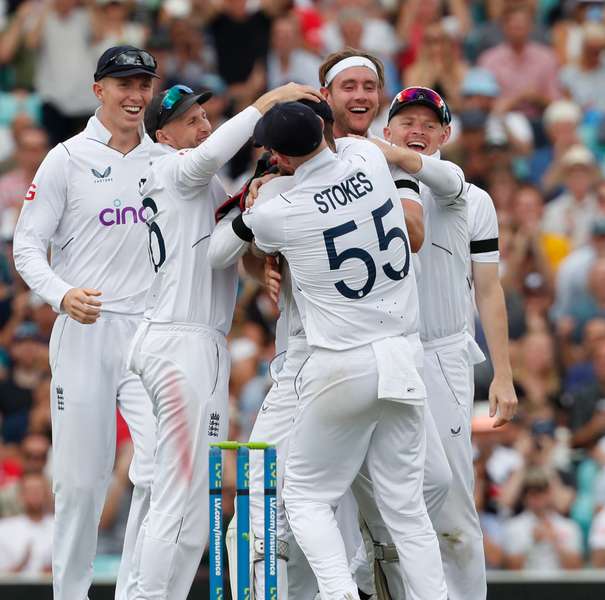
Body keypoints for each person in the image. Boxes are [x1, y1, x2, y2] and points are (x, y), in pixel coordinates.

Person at [241, 101, 448, 600]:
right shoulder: (366, 158)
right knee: (407, 508)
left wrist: (262, 183)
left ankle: (337, 595)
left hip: (340, 362)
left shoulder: (278, 213)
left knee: (306, 497)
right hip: (401, 356)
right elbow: (360, 149)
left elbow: (253, 227)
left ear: (281, 157)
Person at [124, 81, 313, 599]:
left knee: (192, 500)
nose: (203, 126)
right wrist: (269, 102)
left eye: (205, 116)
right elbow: (209, 156)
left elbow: (228, 247)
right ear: (162, 134)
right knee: (178, 493)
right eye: (190, 119)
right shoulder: (166, 168)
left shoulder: (198, 183)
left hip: (197, 343)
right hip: (178, 341)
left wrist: (266, 262)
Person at [12, 45, 159, 600]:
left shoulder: (163, 162)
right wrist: (61, 293)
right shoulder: (66, 158)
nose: (135, 95)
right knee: (79, 483)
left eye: (143, 84)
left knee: (164, 466)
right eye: (123, 84)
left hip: (147, 334)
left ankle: (134, 592)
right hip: (85, 330)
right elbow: (27, 247)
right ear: (99, 90)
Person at [364, 86, 516, 600]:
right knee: (387, 490)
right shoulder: (366, 190)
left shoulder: (470, 197)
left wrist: (504, 373)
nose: (417, 131)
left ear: (446, 135)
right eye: (406, 122)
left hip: (445, 353)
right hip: (382, 352)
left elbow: (489, 290)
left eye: (430, 124)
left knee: (452, 498)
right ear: (388, 131)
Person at [208, 96, 335, 600]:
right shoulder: (362, 166)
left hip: (323, 356)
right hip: (305, 354)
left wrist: (258, 210)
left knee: (294, 497)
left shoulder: (288, 188)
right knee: (281, 496)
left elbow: (222, 249)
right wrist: (266, 258)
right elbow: (249, 263)